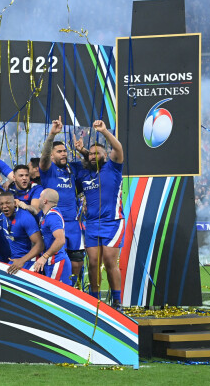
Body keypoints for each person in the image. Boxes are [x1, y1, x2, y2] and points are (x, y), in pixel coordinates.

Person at [74, 120, 125, 310]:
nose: (94, 156)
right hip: (92, 224)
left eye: (98, 153)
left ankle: (117, 301)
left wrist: (104, 131)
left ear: (106, 156)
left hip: (112, 222)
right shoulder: (84, 174)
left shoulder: (112, 168)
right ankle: (94, 300)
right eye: (91, 153)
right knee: (93, 263)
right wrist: (84, 152)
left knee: (109, 261)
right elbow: (89, 159)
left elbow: (117, 148)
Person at [39, 116, 85, 286]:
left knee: (77, 262)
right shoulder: (48, 170)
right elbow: (43, 159)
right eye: (59, 151)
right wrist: (51, 135)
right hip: (55, 222)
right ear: (52, 156)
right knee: (55, 262)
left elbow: (91, 164)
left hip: (73, 224)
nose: (64, 153)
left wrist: (82, 151)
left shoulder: (73, 168)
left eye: (65, 151)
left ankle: (75, 292)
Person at [0, 192, 44, 275]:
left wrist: (22, 260)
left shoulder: (25, 217)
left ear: (15, 203)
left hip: (30, 261)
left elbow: (40, 244)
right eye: (1, 204)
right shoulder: (3, 215)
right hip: (14, 260)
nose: (4, 206)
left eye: (8, 203)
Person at [34, 189, 72, 285]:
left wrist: (44, 257)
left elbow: (60, 240)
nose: (38, 199)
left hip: (57, 262)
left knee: (59, 297)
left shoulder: (52, 217)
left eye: (40, 197)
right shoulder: (48, 214)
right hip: (52, 262)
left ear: (44, 200)